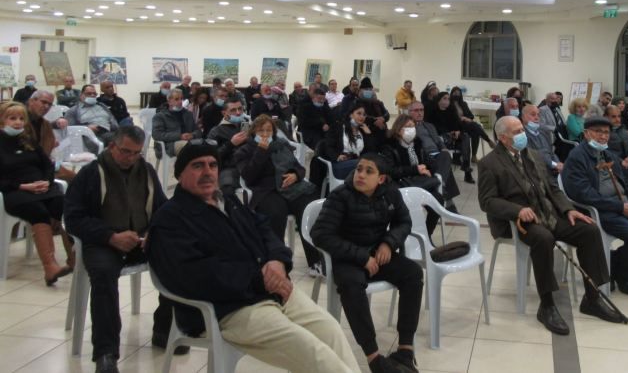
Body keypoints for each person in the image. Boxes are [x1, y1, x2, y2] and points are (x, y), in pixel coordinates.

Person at [147, 143, 360, 373]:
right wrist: (260, 279)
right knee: (314, 353)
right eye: (197, 166)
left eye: (212, 165)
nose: (207, 172)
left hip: (272, 292)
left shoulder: (228, 201)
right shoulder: (170, 220)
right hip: (228, 309)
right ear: (180, 174)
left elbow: (264, 230)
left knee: (330, 331)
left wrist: (278, 261)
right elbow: (196, 276)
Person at [478, 115, 626, 335]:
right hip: (520, 221)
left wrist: (568, 210)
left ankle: (592, 298)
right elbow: (487, 201)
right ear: (502, 138)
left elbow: (553, 188)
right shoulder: (490, 163)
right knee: (543, 238)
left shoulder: (534, 155)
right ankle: (546, 305)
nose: (523, 135)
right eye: (517, 132)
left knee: (589, 230)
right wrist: (517, 210)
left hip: (549, 214)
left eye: (522, 130)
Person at [63, 126, 185, 373]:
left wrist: (152, 233)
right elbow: (73, 218)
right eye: (125, 151)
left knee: (178, 258)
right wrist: (110, 236)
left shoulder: (146, 171)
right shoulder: (91, 174)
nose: (130, 158)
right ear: (112, 147)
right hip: (103, 241)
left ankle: (164, 329)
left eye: (136, 153)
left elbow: (161, 208)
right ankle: (106, 353)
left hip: (139, 239)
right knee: (104, 275)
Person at [311, 153, 423, 373]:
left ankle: (405, 350)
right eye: (359, 169)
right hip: (347, 258)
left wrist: (388, 243)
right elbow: (321, 234)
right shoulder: (340, 196)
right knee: (352, 286)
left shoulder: (390, 193)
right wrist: (362, 257)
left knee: (413, 273)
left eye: (368, 171)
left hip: (377, 253)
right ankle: (374, 359)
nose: (360, 175)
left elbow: (403, 222)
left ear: (381, 179)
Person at [562, 117, 628, 296]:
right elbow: (583, 194)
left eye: (606, 132)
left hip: (625, 206)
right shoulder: (577, 157)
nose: (603, 136)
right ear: (586, 134)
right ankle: (626, 276)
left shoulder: (609, 155)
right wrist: (620, 207)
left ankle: (615, 263)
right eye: (598, 132)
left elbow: (627, 182)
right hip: (600, 211)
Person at [235, 115, 321, 272]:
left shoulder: (281, 145)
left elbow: (299, 168)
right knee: (276, 212)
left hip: (291, 188)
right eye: (261, 130)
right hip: (266, 190)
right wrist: (261, 151)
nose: (265, 134)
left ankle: (316, 261)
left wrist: (295, 175)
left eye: (268, 130)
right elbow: (249, 176)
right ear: (253, 132)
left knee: (309, 208)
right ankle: (278, 260)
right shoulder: (245, 150)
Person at [0, 101, 73, 284]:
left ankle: (74, 259)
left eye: (21, 118)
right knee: (38, 211)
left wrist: (46, 181)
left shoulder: (28, 141)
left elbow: (47, 165)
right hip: (15, 192)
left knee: (65, 208)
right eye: (12, 118)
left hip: (42, 188)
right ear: (2, 121)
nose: (18, 122)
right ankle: (50, 267)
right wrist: (23, 186)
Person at [380, 115, 445, 236]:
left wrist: (427, 168)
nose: (412, 129)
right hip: (402, 185)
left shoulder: (418, 143)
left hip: (421, 183)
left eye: (413, 126)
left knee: (438, 200)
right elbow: (391, 171)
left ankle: (427, 235)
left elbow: (429, 161)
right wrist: (416, 169)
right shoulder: (390, 146)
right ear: (398, 129)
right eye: (408, 127)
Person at [406, 101, 461, 212]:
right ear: (409, 112)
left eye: (421, 110)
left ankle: (439, 183)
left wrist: (443, 147)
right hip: (424, 157)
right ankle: (448, 201)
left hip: (438, 154)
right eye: (416, 110)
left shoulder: (429, 126)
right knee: (445, 164)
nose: (420, 113)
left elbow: (438, 141)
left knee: (445, 155)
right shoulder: (408, 127)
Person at [425, 91, 473, 184]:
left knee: (466, 137)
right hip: (441, 138)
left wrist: (458, 131)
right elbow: (432, 128)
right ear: (438, 100)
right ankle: (466, 168)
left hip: (453, 137)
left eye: (448, 99)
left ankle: (466, 165)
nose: (447, 101)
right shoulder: (432, 112)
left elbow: (458, 125)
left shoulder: (451, 110)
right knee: (463, 145)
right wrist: (448, 132)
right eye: (444, 98)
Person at [206, 97, 249, 195]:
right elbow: (211, 157)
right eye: (233, 110)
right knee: (227, 189)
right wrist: (231, 144)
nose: (238, 113)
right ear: (224, 113)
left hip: (250, 164)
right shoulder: (216, 131)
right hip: (229, 167)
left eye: (240, 109)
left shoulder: (247, 125)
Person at [324, 101, 376, 180]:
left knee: (374, 163)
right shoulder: (338, 127)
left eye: (364, 115)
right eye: (359, 113)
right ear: (351, 114)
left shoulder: (363, 131)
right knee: (364, 164)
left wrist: (369, 134)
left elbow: (371, 151)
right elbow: (328, 146)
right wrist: (337, 156)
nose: (362, 117)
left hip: (358, 164)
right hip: (340, 164)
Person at [151, 88, 200, 159]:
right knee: (188, 147)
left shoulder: (187, 114)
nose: (180, 102)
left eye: (181, 99)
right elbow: (157, 135)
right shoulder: (160, 116)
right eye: (177, 99)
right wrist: (179, 136)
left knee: (204, 147)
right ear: (169, 101)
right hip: (169, 145)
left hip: (189, 141)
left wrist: (192, 135)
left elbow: (198, 130)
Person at [67, 85, 118, 149]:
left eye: (94, 94)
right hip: (89, 135)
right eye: (89, 94)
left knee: (122, 142)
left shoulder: (103, 106)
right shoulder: (73, 111)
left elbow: (113, 121)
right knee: (97, 146)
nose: (92, 95)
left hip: (107, 132)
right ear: (81, 95)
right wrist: (86, 127)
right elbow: (70, 128)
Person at [449, 86, 494, 155]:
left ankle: (473, 156)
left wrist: (466, 118)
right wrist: (460, 118)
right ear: (451, 93)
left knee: (475, 132)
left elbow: (471, 116)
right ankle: (488, 140)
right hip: (456, 126)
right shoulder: (449, 104)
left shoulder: (464, 104)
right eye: (455, 93)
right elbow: (450, 117)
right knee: (475, 126)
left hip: (466, 124)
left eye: (458, 93)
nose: (457, 95)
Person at [521, 103, 563, 176]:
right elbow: (534, 156)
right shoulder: (522, 136)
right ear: (523, 117)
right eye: (533, 114)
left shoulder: (542, 133)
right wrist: (555, 164)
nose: (537, 118)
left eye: (538, 115)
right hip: (537, 171)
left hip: (552, 169)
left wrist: (558, 163)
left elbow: (551, 152)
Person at [297, 85, 333, 150]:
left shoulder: (324, 105)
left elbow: (330, 117)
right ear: (313, 97)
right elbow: (304, 121)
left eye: (323, 99)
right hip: (309, 132)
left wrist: (327, 125)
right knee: (321, 145)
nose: (321, 101)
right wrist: (322, 124)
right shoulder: (305, 106)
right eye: (319, 98)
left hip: (324, 131)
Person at [357, 78, 390, 143]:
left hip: (381, 130)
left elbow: (387, 114)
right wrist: (375, 120)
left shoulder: (378, 103)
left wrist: (383, 118)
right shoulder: (358, 103)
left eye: (370, 89)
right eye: (366, 89)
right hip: (367, 130)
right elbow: (362, 116)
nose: (368, 91)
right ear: (360, 90)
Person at [604, 103, 628, 168]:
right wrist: (621, 161)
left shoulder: (623, 130)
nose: (617, 119)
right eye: (613, 117)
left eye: (619, 116)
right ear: (605, 117)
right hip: (612, 165)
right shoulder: (603, 132)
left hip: (627, 164)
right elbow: (604, 153)